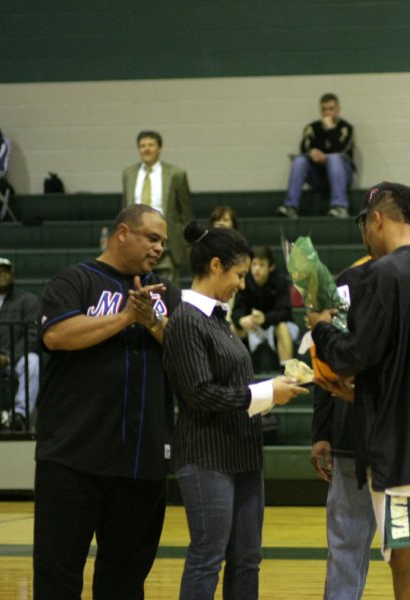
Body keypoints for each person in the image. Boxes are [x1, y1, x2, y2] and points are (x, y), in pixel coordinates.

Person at [308, 182, 410, 600]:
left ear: (376, 218)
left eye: (364, 225)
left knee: (406, 557)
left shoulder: (382, 275)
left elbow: (351, 355)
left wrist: (319, 325)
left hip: (397, 452)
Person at [33, 204, 179, 600]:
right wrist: (126, 317)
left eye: (163, 242)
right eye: (152, 238)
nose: (159, 248)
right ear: (122, 233)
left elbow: (185, 355)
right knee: (58, 576)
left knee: (125, 582)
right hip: (73, 460)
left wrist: (153, 322)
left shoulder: (165, 293)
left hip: (141, 463)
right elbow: (57, 336)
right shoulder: (75, 280)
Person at [163, 222, 308, 600]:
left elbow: (229, 385)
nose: (243, 285)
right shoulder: (185, 321)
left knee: (247, 558)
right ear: (215, 266)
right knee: (208, 557)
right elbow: (200, 394)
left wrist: (274, 387)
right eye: (240, 275)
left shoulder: (217, 319)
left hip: (242, 454)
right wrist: (266, 392)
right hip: (205, 455)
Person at [122, 130, 193, 281]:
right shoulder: (128, 174)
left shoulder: (176, 174)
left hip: (167, 244)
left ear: (159, 149)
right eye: (142, 146)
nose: (146, 149)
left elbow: (185, 212)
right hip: (137, 242)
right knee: (137, 292)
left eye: (151, 145)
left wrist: (184, 243)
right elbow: (125, 210)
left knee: (168, 294)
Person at [277, 93, 355, 220]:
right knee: (299, 160)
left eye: (331, 109)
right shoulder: (311, 129)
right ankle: (290, 207)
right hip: (319, 176)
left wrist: (330, 129)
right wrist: (311, 153)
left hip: (342, 176)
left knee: (334, 158)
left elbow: (340, 149)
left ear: (338, 109)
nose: (327, 113)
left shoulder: (346, 128)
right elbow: (304, 149)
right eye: (324, 109)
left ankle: (339, 206)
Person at [0, 257, 40, 433]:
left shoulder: (27, 300)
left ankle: (20, 414)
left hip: (15, 359)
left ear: (12, 274)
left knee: (32, 361)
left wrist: (8, 358)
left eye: (6, 271)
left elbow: (32, 334)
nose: (2, 275)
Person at [232, 245, 298, 369]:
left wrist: (265, 318)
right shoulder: (244, 282)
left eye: (261, 265)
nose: (256, 269)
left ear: (271, 267)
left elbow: (285, 312)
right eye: (254, 264)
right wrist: (242, 320)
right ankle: (233, 370)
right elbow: (236, 310)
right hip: (252, 327)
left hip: (274, 326)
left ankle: (287, 371)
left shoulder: (281, 281)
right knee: (232, 328)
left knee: (282, 327)